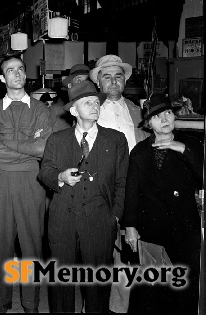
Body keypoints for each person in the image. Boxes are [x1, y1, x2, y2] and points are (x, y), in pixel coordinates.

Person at [38, 81, 129, 313]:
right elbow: (44, 172)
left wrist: (115, 217)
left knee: (98, 284)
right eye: (87, 102)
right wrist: (61, 176)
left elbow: (122, 182)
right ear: (73, 110)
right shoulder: (57, 140)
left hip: (100, 219)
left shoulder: (115, 140)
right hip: (62, 219)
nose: (94, 106)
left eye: (97, 102)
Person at [121, 93, 203, 315]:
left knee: (184, 285)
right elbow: (132, 191)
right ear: (149, 124)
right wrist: (130, 227)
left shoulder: (191, 144)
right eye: (157, 116)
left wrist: (183, 150)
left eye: (168, 113)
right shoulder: (139, 151)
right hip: (152, 229)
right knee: (151, 287)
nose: (165, 119)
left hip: (184, 227)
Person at [0, 55, 51, 313]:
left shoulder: (40, 109)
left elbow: (45, 148)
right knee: (0, 243)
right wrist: (28, 148)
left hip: (31, 181)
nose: (17, 74)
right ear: (2, 78)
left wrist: (9, 145)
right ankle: (2, 301)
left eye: (21, 69)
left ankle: (30, 302)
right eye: (10, 70)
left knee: (32, 244)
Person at [89, 54, 149, 313]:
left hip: (134, 188)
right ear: (98, 82)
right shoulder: (90, 108)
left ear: (124, 81)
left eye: (118, 76)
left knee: (127, 252)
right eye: (106, 76)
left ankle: (118, 308)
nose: (113, 81)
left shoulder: (138, 110)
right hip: (100, 190)